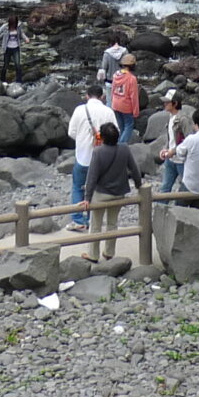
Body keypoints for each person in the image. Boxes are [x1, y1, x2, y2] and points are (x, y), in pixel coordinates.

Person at [82, 120, 141, 259]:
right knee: (112, 223)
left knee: (95, 225)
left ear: (101, 137)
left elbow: (92, 177)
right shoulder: (124, 148)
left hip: (101, 194)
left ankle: (93, 254)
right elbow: (134, 169)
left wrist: (87, 198)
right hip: (119, 193)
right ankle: (109, 253)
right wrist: (139, 185)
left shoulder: (98, 152)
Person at [66, 83, 117, 229]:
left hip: (83, 156)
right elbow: (116, 133)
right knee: (97, 189)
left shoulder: (79, 110)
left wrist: (82, 140)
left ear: (87, 96)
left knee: (78, 187)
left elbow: (71, 132)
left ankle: (78, 220)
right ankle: (95, 221)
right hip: (103, 160)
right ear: (102, 97)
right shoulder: (108, 112)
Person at [156, 90, 192, 191]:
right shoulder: (170, 117)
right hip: (170, 159)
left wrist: (173, 151)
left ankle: (181, 206)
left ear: (175, 103)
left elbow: (189, 141)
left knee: (186, 187)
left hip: (181, 161)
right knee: (165, 187)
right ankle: (161, 207)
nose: (165, 104)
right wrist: (165, 149)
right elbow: (170, 138)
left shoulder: (183, 119)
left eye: (167, 102)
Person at [109, 55, 141, 144]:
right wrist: (136, 112)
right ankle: (121, 146)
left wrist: (112, 101)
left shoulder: (115, 75)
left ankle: (118, 144)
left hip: (115, 104)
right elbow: (134, 96)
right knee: (129, 126)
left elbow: (112, 90)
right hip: (126, 106)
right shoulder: (132, 78)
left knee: (121, 127)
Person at [0, 15, 27, 84]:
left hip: (16, 48)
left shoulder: (18, 27)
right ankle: (2, 80)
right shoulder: (5, 27)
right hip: (7, 48)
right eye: (12, 24)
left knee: (18, 64)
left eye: (14, 24)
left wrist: (26, 39)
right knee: (5, 65)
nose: (13, 26)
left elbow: (22, 34)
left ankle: (19, 81)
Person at [97, 31, 128, 101]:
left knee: (110, 101)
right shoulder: (125, 51)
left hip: (110, 81)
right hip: (122, 80)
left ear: (110, 42)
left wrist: (102, 80)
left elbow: (103, 68)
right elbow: (128, 66)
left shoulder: (107, 53)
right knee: (121, 99)